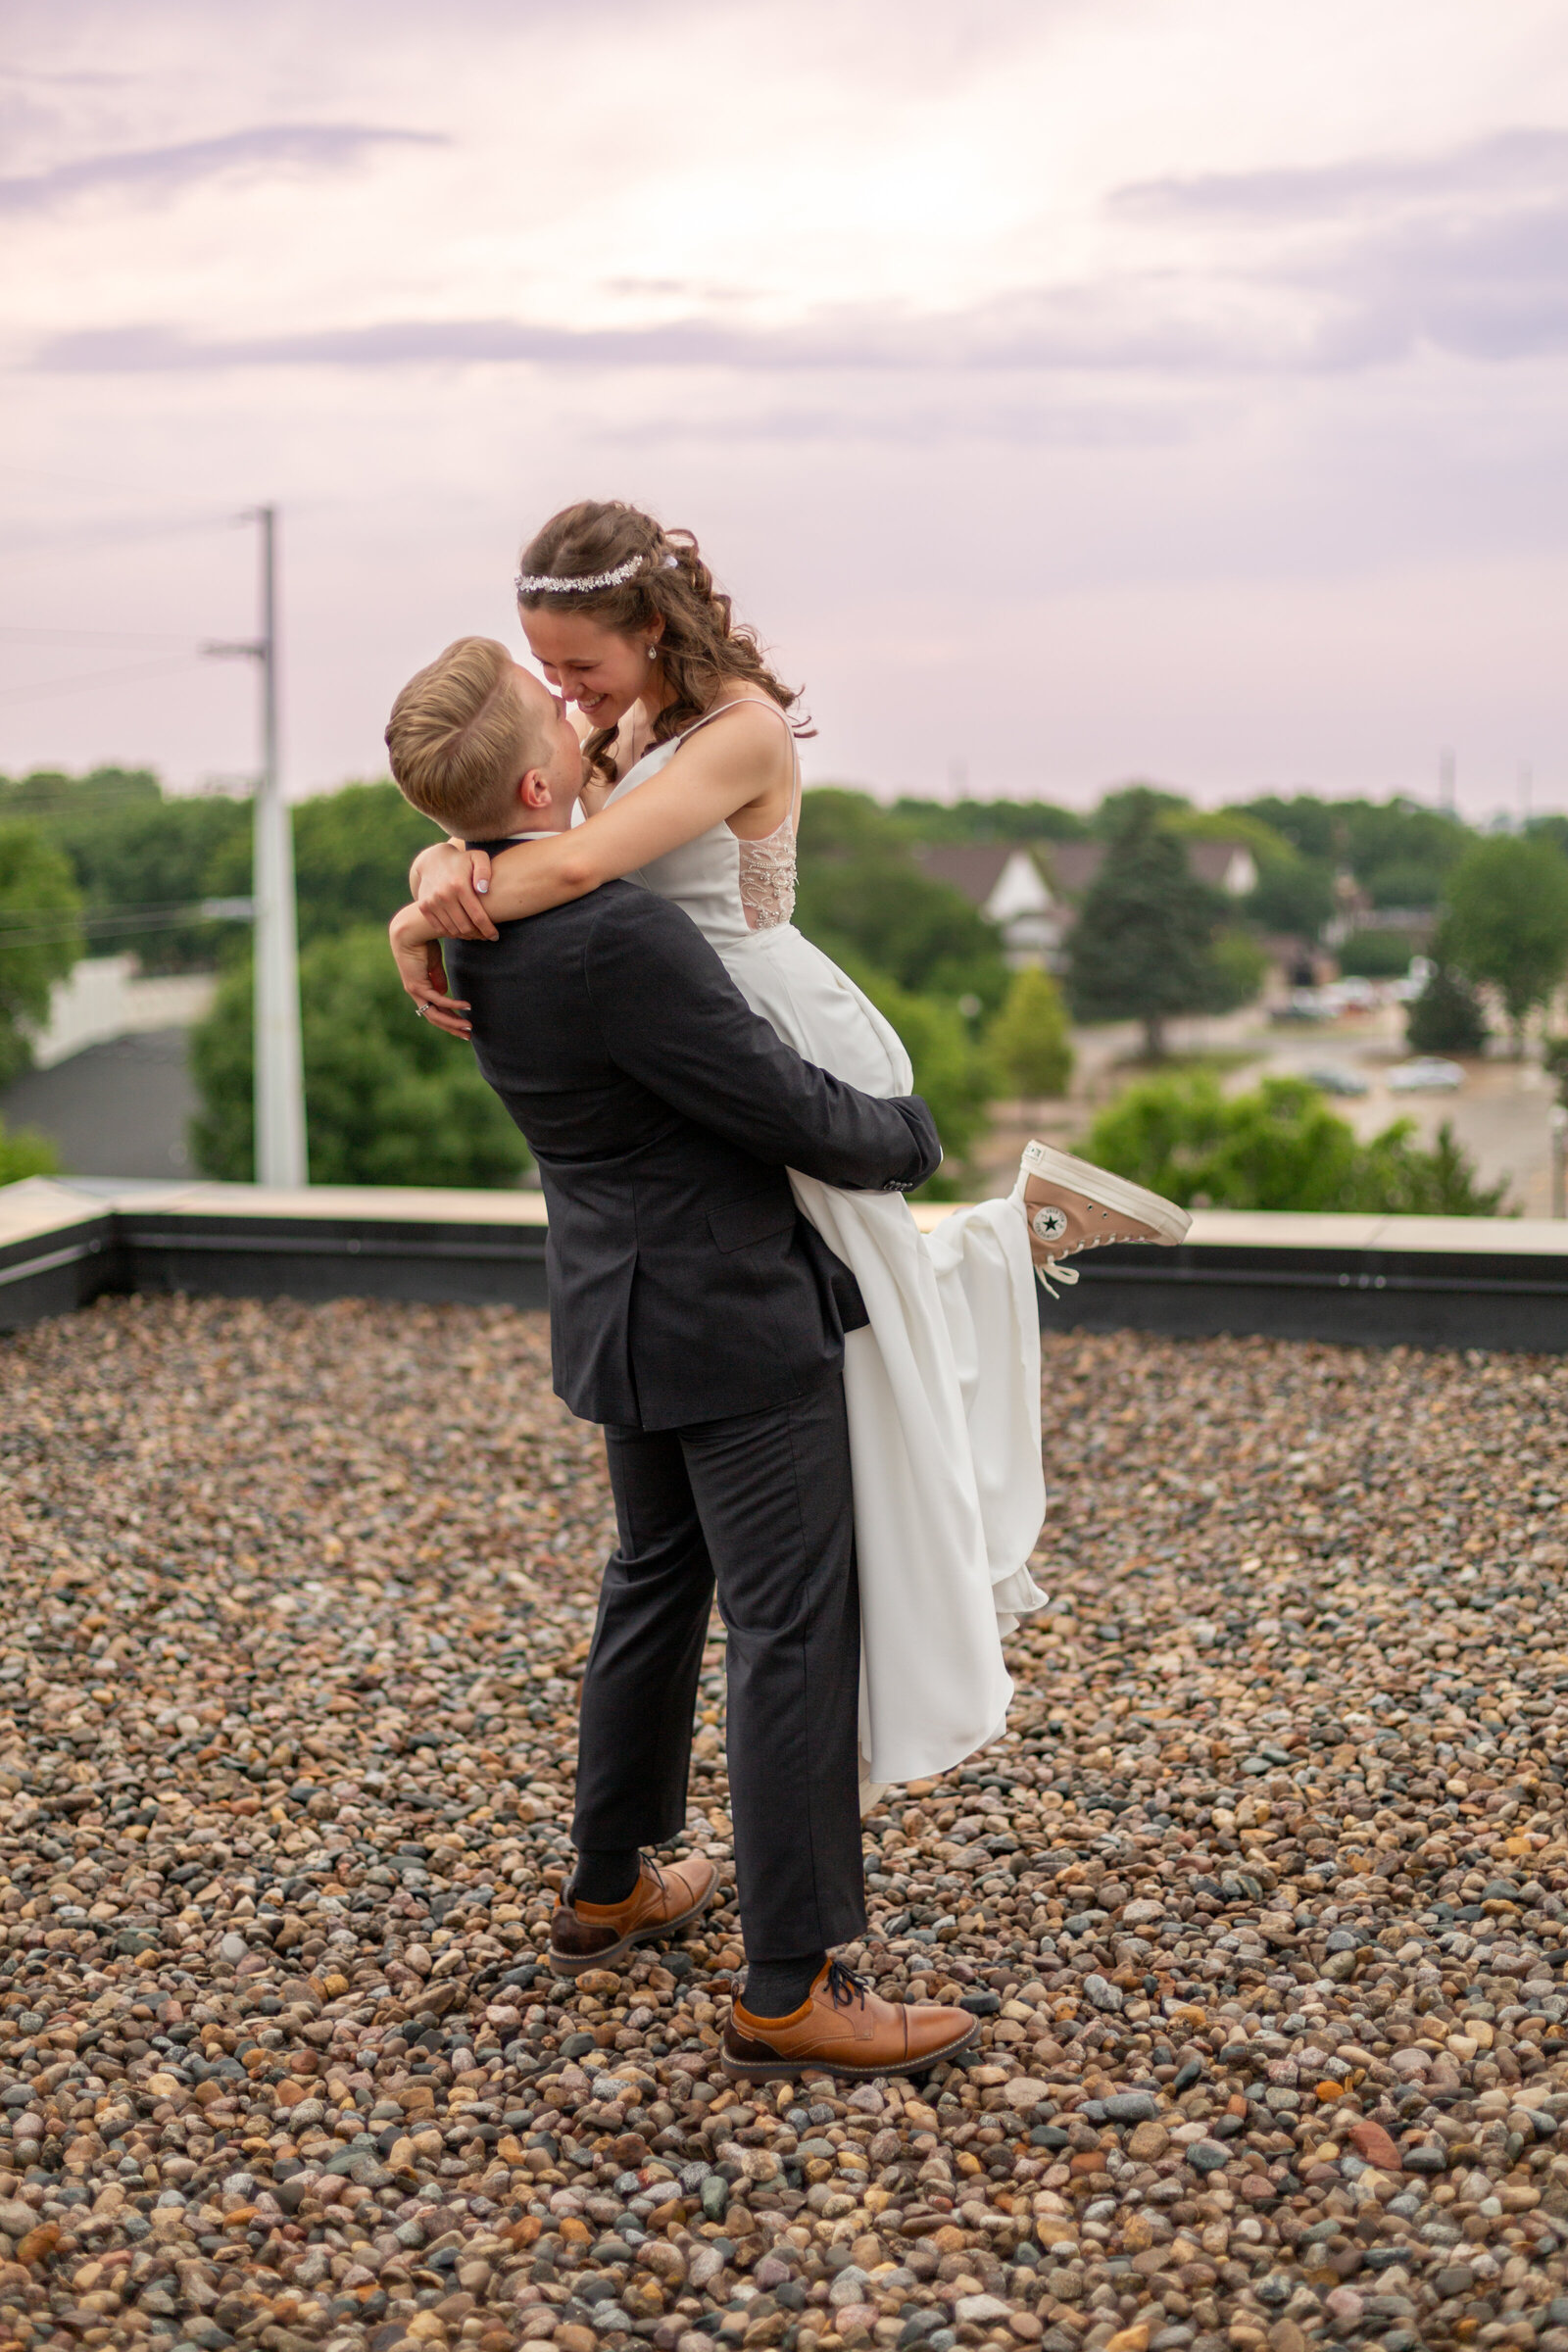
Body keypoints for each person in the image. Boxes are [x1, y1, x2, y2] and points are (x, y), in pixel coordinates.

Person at [390, 503, 1190, 1793]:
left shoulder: (741, 728)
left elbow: (572, 859)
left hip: (778, 1039)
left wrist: (426, 900)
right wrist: (447, 861)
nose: (562, 691)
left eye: (579, 664)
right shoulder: (620, 728)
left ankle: (1005, 1233)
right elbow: (515, 824)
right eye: (546, 670)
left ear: (651, 627)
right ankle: (1015, 1226)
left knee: (876, 1332)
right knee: (867, 1316)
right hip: (691, 1047)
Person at [383, 635, 980, 2077]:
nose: (590, 722)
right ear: (538, 777)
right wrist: (912, 1137)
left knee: (654, 1584)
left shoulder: (479, 919)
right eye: (563, 715)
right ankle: (794, 1984)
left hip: (612, 1303)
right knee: (789, 1628)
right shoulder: (619, 933)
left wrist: (418, 885)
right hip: (725, 1315)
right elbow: (775, 1100)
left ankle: (610, 1885)